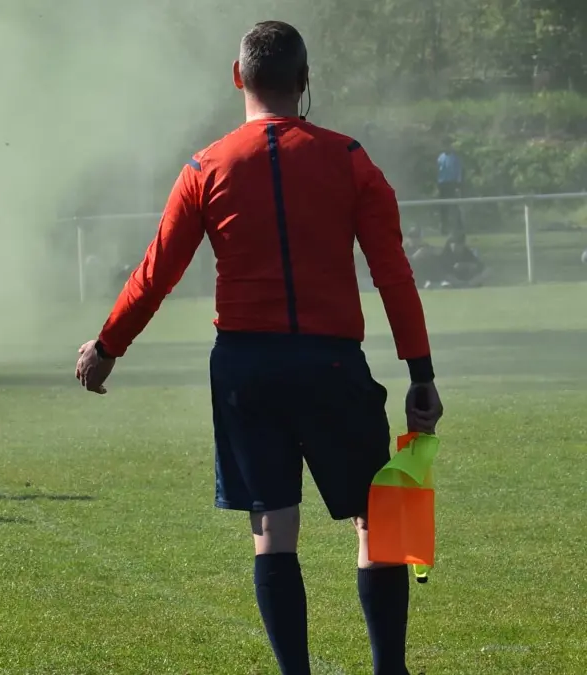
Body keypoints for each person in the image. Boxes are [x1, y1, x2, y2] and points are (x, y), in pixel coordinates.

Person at [74, 21, 443, 675]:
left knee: (273, 528)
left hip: (246, 368)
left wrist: (107, 346)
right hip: (331, 361)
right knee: (375, 518)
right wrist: (421, 374)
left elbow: (157, 273)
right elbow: (393, 273)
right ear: (304, 83)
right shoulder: (350, 159)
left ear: (238, 76)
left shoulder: (205, 167)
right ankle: (390, 669)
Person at [436, 142, 464, 234]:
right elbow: (438, 171)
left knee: (454, 205)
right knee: (443, 207)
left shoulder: (454, 158)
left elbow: (458, 171)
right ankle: (444, 228)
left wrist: (458, 185)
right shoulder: (440, 157)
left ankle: (459, 227)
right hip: (442, 184)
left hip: (452, 184)